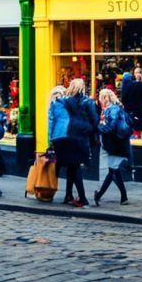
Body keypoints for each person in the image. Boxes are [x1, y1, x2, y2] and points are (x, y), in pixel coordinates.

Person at [50, 78, 96, 207]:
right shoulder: (86, 102)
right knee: (74, 166)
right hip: (78, 138)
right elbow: (94, 121)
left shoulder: (62, 102)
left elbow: (52, 122)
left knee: (72, 166)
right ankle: (76, 196)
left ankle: (73, 196)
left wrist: (51, 140)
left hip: (64, 138)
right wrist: (88, 130)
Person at [95, 89, 130, 206]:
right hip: (115, 144)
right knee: (113, 170)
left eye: (101, 98)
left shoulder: (112, 110)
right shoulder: (113, 109)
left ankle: (99, 195)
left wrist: (98, 127)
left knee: (112, 171)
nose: (100, 101)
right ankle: (124, 197)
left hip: (115, 144)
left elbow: (111, 128)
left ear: (105, 98)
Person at [121, 69, 142, 136]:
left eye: (138, 72)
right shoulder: (140, 85)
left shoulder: (127, 86)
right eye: (135, 73)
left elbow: (123, 99)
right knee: (138, 130)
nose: (136, 74)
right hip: (138, 111)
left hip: (130, 112)